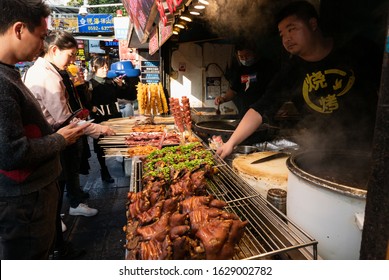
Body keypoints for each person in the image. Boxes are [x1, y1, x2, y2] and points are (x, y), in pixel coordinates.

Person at [217, 1, 381, 159]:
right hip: (318, 154)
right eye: (282, 34)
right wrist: (230, 143)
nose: (286, 39)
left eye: (292, 29)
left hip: (366, 151)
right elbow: (261, 108)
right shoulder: (291, 71)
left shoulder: (359, 49)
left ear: (313, 24)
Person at [0, 0, 90, 260]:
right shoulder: (3, 83)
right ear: (19, 29)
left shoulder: (10, 74)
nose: (42, 46)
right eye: (40, 37)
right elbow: (11, 152)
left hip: (31, 198)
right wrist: (60, 139)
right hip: (22, 203)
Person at [23, 30, 115, 258]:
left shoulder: (45, 70)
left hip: (50, 140)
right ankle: (59, 248)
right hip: (51, 142)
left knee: (56, 190)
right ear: (54, 50)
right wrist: (99, 130)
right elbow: (65, 119)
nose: (73, 60)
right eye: (71, 55)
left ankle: (58, 242)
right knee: (55, 190)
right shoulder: (47, 76)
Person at [88, 56, 135, 182]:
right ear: (94, 68)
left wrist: (121, 86)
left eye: (106, 67)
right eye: (102, 67)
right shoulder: (90, 85)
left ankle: (128, 165)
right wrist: (90, 108)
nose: (105, 69)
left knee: (122, 142)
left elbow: (127, 95)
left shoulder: (111, 82)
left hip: (115, 118)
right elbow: (84, 102)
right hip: (100, 120)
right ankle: (104, 170)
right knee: (101, 147)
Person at [214, 44, 278, 118]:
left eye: (247, 55)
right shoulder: (241, 70)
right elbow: (234, 90)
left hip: (263, 113)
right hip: (245, 113)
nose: (244, 58)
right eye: (241, 56)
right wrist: (223, 98)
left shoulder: (267, 66)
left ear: (254, 53)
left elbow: (276, 89)